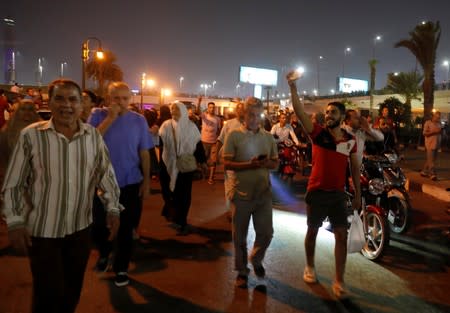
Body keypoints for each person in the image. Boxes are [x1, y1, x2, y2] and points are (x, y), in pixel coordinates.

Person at [1, 79, 121, 313]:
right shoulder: (31, 136)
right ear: (50, 101)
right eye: (59, 98)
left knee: (72, 290)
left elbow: (105, 174)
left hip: (80, 229)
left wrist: (113, 207)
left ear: (81, 105)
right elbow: (13, 182)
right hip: (43, 232)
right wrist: (14, 221)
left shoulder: (93, 137)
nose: (66, 105)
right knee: (47, 294)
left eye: (73, 99)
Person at [287, 71, 361, 299]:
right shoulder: (317, 134)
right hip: (316, 192)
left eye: (333, 112)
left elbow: (355, 168)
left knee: (341, 235)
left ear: (342, 117)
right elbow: (300, 113)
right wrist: (293, 88)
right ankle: (309, 266)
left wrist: (357, 193)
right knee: (312, 231)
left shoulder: (350, 140)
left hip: (338, 195)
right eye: (327, 112)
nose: (328, 115)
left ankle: (339, 282)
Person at [88, 81, 152, 287]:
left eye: (125, 98)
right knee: (98, 225)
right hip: (100, 183)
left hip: (130, 182)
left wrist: (147, 181)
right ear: (108, 99)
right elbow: (90, 141)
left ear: (130, 99)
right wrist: (110, 118)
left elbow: (144, 152)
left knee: (126, 227)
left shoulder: (139, 121)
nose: (121, 102)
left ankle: (121, 267)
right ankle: (105, 253)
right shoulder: (98, 115)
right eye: (116, 98)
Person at [223, 97, 278, 288]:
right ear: (243, 116)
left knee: (267, 233)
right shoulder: (234, 136)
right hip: (241, 195)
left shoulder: (268, 137)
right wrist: (249, 164)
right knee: (239, 236)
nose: (255, 119)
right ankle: (242, 271)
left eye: (258, 115)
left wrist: (264, 163)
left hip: (263, 195)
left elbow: (275, 163)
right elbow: (227, 163)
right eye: (251, 115)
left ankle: (255, 258)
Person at [159, 101, 204, 235]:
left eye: (176, 109)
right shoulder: (166, 125)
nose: (173, 112)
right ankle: (170, 209)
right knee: (167, 191)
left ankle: (181, 220)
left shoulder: (191, 127)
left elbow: (198, 146)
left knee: (184, 195)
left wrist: (203, 162)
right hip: (167, 164)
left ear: (183, 111)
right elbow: (161, 144)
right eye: (172, 109)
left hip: (184, 167)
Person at [216, 102, 245, 220]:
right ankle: (229, 210)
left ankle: (239, 209)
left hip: (244, 162)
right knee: (229, 185)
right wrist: (215, 156)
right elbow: (220, 140)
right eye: (239, 109)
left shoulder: (250, 124)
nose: (241, 111)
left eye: (243, 109)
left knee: (242, 186)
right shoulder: (229, 124)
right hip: (229, 161)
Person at [196, 98, 221, 184]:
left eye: (213, 107)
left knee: (213, 161)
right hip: (204, 142)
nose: (212, 109)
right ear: (208, 108)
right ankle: (204, 174)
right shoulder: (204, 116)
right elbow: (197, 111)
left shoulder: (218, 119)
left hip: (213, 142)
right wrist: (199, 102)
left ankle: (211, 178)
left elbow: (218, 130)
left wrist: (218, 140)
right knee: (204, 160)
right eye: (210, 107)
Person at [421, 111, 442, 181]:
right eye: (436, 117)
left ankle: (424, 171)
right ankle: (432, 174)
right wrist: (433, 132)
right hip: (430, 144)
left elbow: (439, 133)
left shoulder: (439, 124)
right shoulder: (428, 123)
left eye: (439, 117)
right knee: (431, 161)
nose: (438, 118)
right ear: (433, 116)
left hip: (437, 144)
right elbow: (424, 133)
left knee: (431, 160)